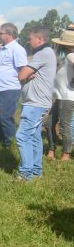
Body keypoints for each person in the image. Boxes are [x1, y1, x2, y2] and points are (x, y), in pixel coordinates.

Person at [15, 27, 57, 181]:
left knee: (22, 135)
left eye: (30, 38)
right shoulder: (47, 53)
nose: (29, 41)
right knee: (33, 137)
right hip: (39, 102)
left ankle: (26, 173)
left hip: (35, 103)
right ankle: (35, 171)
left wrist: (25, 75)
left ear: (40, 39)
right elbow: (27, 74)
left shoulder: (43, 53)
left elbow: (22, 75)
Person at [0, 22, 28, 147]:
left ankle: (9, 143)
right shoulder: (3, 48)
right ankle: (0, 138)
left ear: (9, 34)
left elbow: (23, 69)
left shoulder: (17, 49)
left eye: (1, 33)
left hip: (9, 89)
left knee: (5, 117)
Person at [48, 27, 74, 161]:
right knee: (49, 123)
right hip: (60, 96)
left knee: (64, 126)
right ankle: (52, 150)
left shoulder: (70, 55)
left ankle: (66, 154)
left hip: (66, 97)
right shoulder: (66, 56)